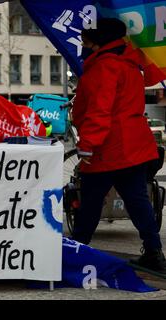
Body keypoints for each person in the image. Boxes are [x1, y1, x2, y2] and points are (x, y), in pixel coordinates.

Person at [71, 18, 166, 272]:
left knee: (90, 200)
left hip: (109, 147)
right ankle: (154, 252)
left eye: (86, 40)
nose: (83, 44)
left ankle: (78, 252)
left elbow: (101, 110)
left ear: (96, 42)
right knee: (137, 199)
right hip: (133, 146)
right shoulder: (129, 63)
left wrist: (88, 145)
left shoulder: (105, 66)